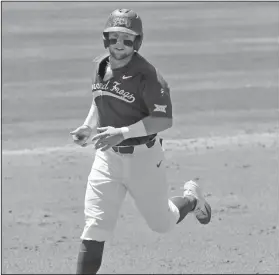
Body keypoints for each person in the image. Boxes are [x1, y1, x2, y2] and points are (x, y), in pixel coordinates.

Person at [70, 8, 211, 274]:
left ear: (138, 42)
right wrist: (88, 127)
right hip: (106, 158)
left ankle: (191, 200)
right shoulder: (101, 65)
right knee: (95, 226)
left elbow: (163, 120)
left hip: (144, 160)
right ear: (105, 40)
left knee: (162, 224)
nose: (119, 45)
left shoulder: (149, 76)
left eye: (127, 39)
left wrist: (121, 133)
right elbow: (99, 98)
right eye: (113, 38)